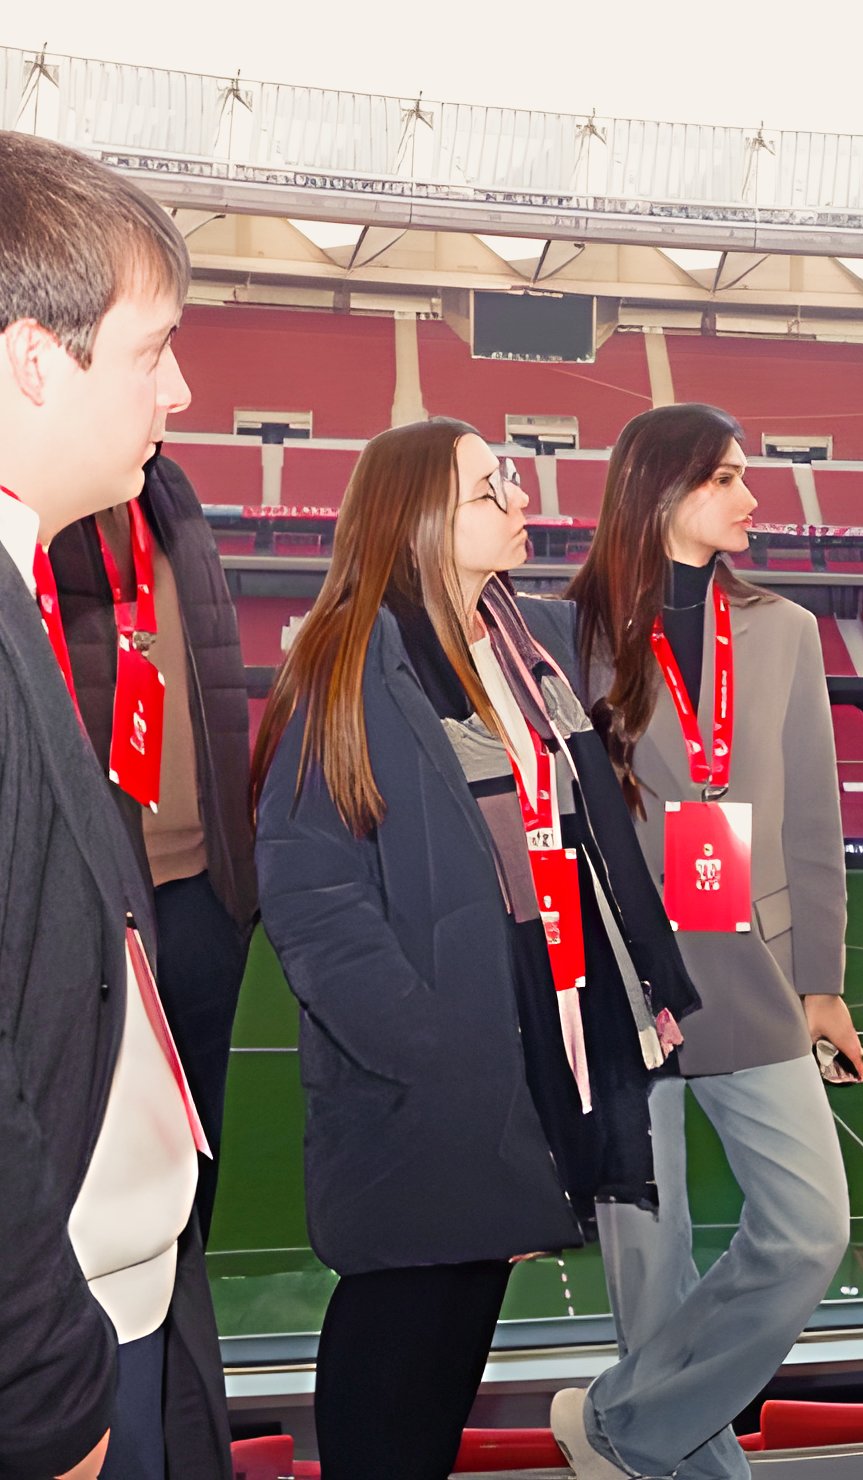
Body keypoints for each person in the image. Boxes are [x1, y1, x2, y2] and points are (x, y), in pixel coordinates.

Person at [252, 419, 699, 1480]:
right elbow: (313, 897)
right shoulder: (346, 666)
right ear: (418, 517)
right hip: (431, 1074)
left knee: (449, 1354)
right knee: (400, 1339)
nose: (520, 501)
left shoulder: (511, 647)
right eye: (490, 487)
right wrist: (427, 1047)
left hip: (518, 1052)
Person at [549, 403, 857, 1480]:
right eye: (728, 477)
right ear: (664, 488)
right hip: (622, 985)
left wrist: (822, 983)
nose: (752, 497)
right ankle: (669, 1452)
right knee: (653, 1274)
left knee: (811, 1229)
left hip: (753, 971)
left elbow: (813, 819)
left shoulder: (783, 629)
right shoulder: (559, 631)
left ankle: (618, 1422)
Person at [0, 130, 232, 1480]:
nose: (184, 388)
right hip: (64, 1364)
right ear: (36, 357)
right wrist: (45, 1398)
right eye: (154, 350)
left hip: (117, 1306)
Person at [54, 449, 257, 1240]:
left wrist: (236, 885)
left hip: (202, 888)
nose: (175, 391)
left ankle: (183, 1353)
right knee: (93, 1167)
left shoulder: (170, 494)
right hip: (100, 897)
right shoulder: (46, 496)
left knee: (194, 1160)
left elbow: (217, 682)